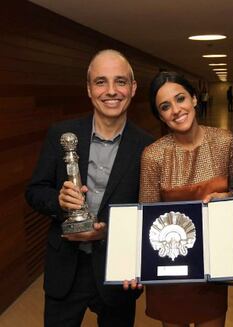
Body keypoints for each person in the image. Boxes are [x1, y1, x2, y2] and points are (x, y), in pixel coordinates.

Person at [25, 49, 153, 327]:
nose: (111, 91)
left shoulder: (148, 148)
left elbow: (148, 215)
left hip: (117, 273)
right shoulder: (61, 134)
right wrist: (59, 201)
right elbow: (35, 191)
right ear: (89, 89)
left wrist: (110, 232)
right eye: (100, 82)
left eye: (120, 82)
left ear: (132, 88)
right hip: (65, 269)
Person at [138, 71, 233, 327]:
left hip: (212, 267)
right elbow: (146, 218)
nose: (176, 110)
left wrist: (227, 198)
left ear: (194, 99)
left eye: (180, 98)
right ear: (160, 116)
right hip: (170, 270)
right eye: (165, 106)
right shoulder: (153, 156)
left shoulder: (225, 142)